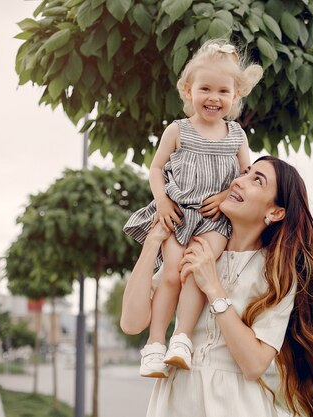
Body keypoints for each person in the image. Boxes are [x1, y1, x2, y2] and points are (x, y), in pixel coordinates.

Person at [120, 156, 313, 417]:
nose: (239, 181)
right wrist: (151, 244)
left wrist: (213, 289)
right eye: (246, 173)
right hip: (175, 402)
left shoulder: (277, 275)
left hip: (237, 405)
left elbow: (254, 365)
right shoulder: (197, 249)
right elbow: (131, 324)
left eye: (257, 180)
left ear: (275, 212)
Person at [123, 39, 263, 377]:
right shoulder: (178, 130)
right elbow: (156, 169)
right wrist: (162, 199)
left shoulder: (236, 135)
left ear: (234, 97)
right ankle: (155, 344)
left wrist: (226, 194)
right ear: (188, 90)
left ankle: (181, 339)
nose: (213, 98)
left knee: (195, 272)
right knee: (172, 271)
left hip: (214, 220)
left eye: (223, 92)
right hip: (179, 213)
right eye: (205, 89)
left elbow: (245, 174)